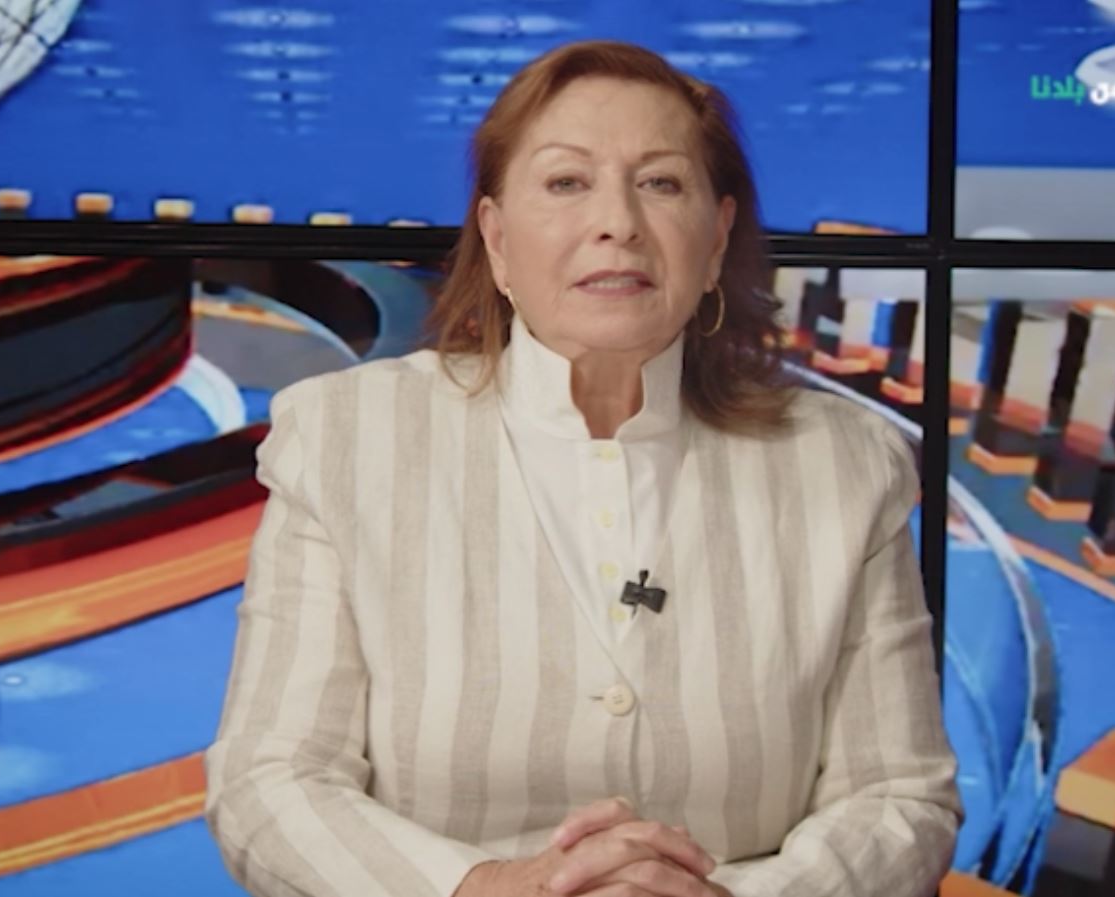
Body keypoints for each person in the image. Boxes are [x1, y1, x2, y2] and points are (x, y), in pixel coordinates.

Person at [204, 40, 960, 897]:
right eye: (566, 182)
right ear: (496, 239)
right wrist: (490, 888)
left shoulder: (844, 462)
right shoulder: (344, 436)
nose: (618, 223)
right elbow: (269, 782)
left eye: (660, 183)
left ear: (716, 238)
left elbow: (899, 797)